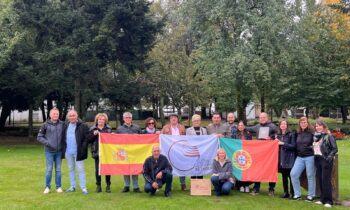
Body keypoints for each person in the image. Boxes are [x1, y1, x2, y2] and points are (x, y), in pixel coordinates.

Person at [247, 112, 278, 196]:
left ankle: (271, 189)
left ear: (267, 118)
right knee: (257, 170)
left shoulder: (272, 126)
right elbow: (248, 129)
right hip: (260, 152)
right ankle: (256, 188)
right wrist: (240, 127)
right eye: (260, 117)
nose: (262, 119)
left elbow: (278, 134)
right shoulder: (257, 126)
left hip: (270, 153)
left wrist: (271, 137)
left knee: (271, 170)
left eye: (264, 117)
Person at [37, 108, 65, 194]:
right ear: (50, 115)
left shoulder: (62, 124)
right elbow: (39, 137)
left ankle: (58, 187)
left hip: (59, 151)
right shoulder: (45, 125)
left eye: (57, 114)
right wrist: (47, 143)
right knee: (49, 169)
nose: (55, 115)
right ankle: (47, 187)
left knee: (58, 170)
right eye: (54, 114)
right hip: (49, 151)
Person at [63, 110, 89, 194]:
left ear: (76, 116)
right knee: (71, 169)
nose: (72, 117)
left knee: (80, 169)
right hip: (68, 152)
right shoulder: (66, 125)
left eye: (73, 115)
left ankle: (83, 188)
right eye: (70, 116)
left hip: (78, 152)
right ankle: (72, 186)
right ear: (68, 117)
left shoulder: (83, 125)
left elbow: (86, 138)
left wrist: (83, 147)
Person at [313, 119, 338, 208]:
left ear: (323, 126)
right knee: (320, 180)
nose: (318, 127)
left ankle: (329, 201)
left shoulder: (329, 136)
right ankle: (322, 199)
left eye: (319, 125)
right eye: (316, 126)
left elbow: (335, 149)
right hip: (318, 160)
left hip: (325, 160)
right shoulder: (317, 137)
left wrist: (328, 158)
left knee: (325, 181)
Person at [290, 117, 316, 202]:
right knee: (293, 174)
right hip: (299, 157)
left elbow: (318, 142)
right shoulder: (298, 133)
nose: (303, 124)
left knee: (310, 176)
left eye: (305, 122)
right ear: (299, 124)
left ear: (307, 123)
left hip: (310, 157)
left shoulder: (312, 133)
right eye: (301, 122)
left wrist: (311, 147)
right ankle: (297, 194)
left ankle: (311, 195)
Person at [117, 112, 141, 193]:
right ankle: (126, 186)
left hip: (135, 152)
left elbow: (143, 139)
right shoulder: (119, 129)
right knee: (125, 168)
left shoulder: (137, 128)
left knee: (135, 168)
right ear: (123, 119)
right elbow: (115, 141)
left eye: (129, 117)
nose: (128, 119)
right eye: (126, 117)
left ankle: (136, 187)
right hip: (124, 152)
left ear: (131, 119)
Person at [161, 114, 187, 190]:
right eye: (172, 118)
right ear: (170, 120)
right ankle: (170, 184)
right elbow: (161, 136)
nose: (173, 119)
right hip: (169, 150)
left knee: (181, 166)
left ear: (177, 119)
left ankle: (183, 183)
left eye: (175, 118)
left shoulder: (182, 127)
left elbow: (185, 138)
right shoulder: (165, 127)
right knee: (169, 167)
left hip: (180, 150)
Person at [88, 113, 112, 193]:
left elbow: (112, 140)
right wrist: (94, 135)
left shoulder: (109, 129)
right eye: (99, 119)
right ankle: (98, 186)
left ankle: (108, 185)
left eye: (103, 119)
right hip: (97, 151)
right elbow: (89, 140)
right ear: (97, 120)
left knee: (107, 169)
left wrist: (112, 135)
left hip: (106, 152)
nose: (101, 121)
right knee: (97, 169)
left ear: (105, 121)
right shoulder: (93, 128)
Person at [276, 119, 296, 199]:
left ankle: (292, 193)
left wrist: (282, 143)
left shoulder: (291, 134)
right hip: (281, 158)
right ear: (280, 125)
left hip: (289, 158)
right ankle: (286, 192)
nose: (283, 125)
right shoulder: (278, 135)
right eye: (281, 124)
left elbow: (293, 146)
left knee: (291, 177)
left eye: (284, 124)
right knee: (284, 176)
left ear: (287, 125)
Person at [231, 121, 252, 193]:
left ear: (244, 126)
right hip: (238, 154)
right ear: (237, 127)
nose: (240, 126)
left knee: (246, 169)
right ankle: (240, 185)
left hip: (246, 154)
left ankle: (246, 185)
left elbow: (251, 144)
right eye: (239, 125)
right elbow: (232, 143)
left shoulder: (248, 134)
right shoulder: (234, 134)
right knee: (239, 169)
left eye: (242, 125)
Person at [186, 114, 208, 179]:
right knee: (193, 169)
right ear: (192, 121)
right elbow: (188, 140)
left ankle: (200, 185)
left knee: (200, 168)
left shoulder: (204, 130)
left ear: (200, 121)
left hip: (201, 151)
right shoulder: (188, 130)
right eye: (195, 120)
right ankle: (193, 185)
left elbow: (206, 140)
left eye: (198, 120)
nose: (196, 122)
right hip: (193, 151)